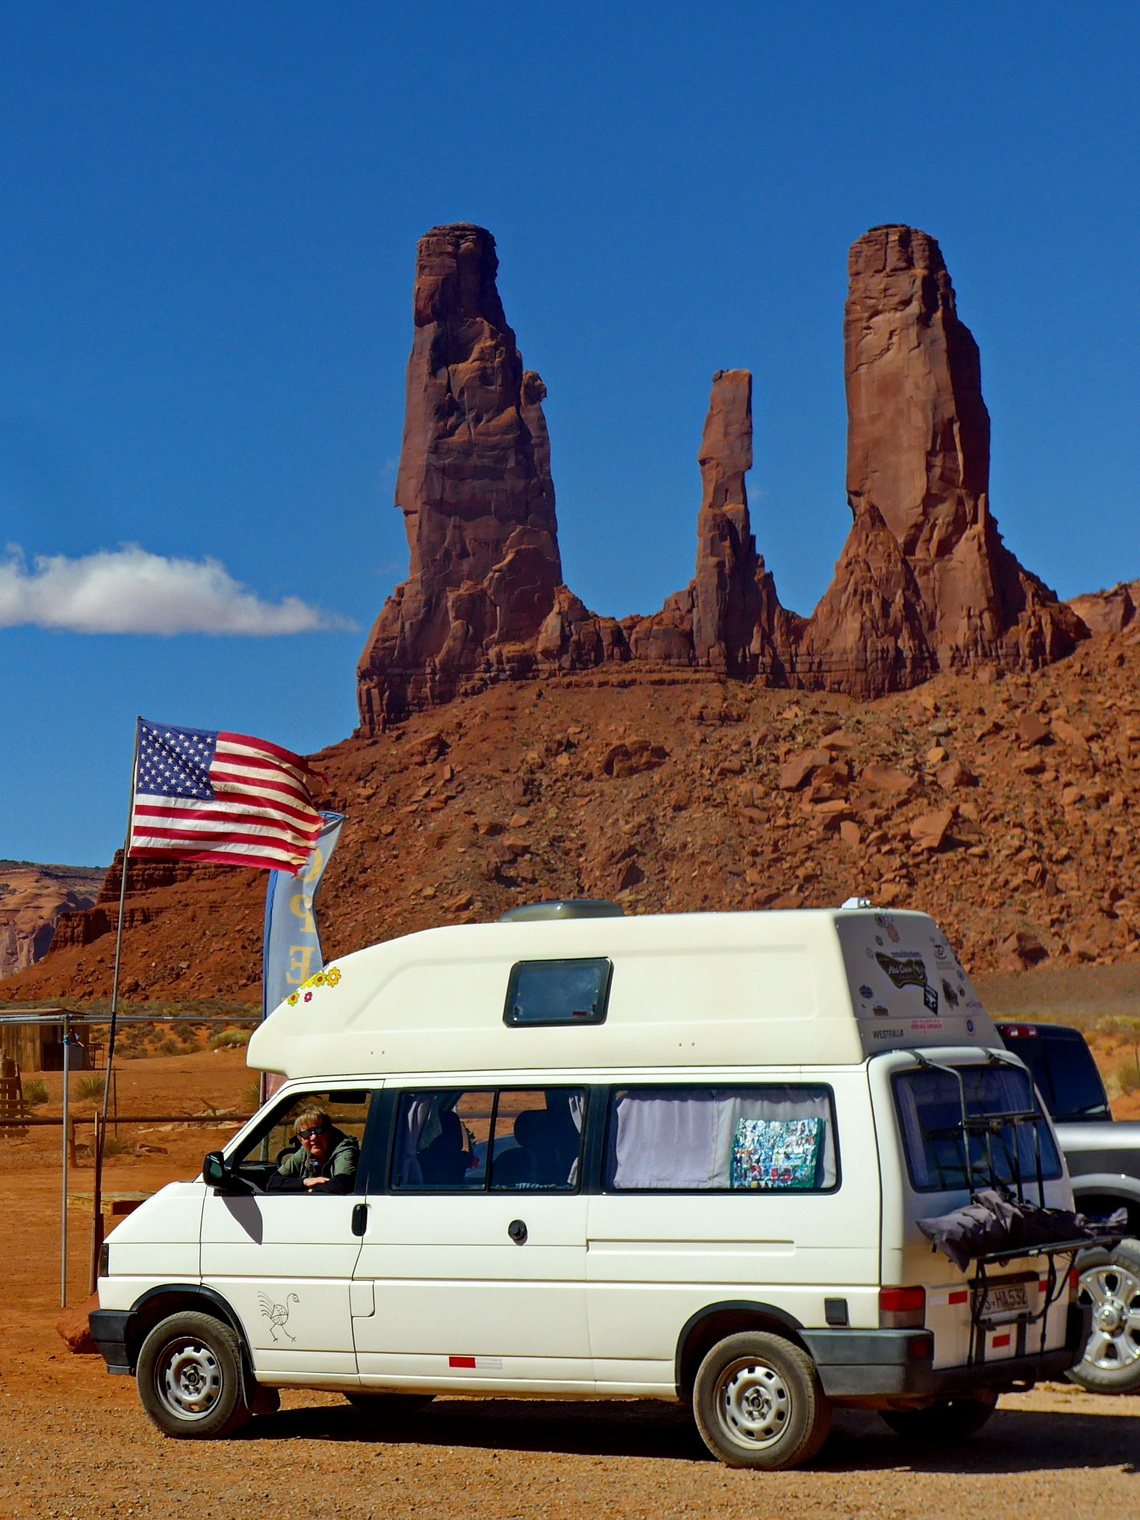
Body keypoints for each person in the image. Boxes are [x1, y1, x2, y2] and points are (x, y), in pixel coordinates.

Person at [266, 1105, 359, 1193]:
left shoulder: (344, 1149)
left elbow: (341, 1185)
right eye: (306, 1134)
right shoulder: (304, 1152)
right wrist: (306, 1182)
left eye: (319, 1131)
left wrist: (312, 1190)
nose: (313, 1137)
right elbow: (272, 1182)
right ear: (300, 1139)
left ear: (329, 1132)